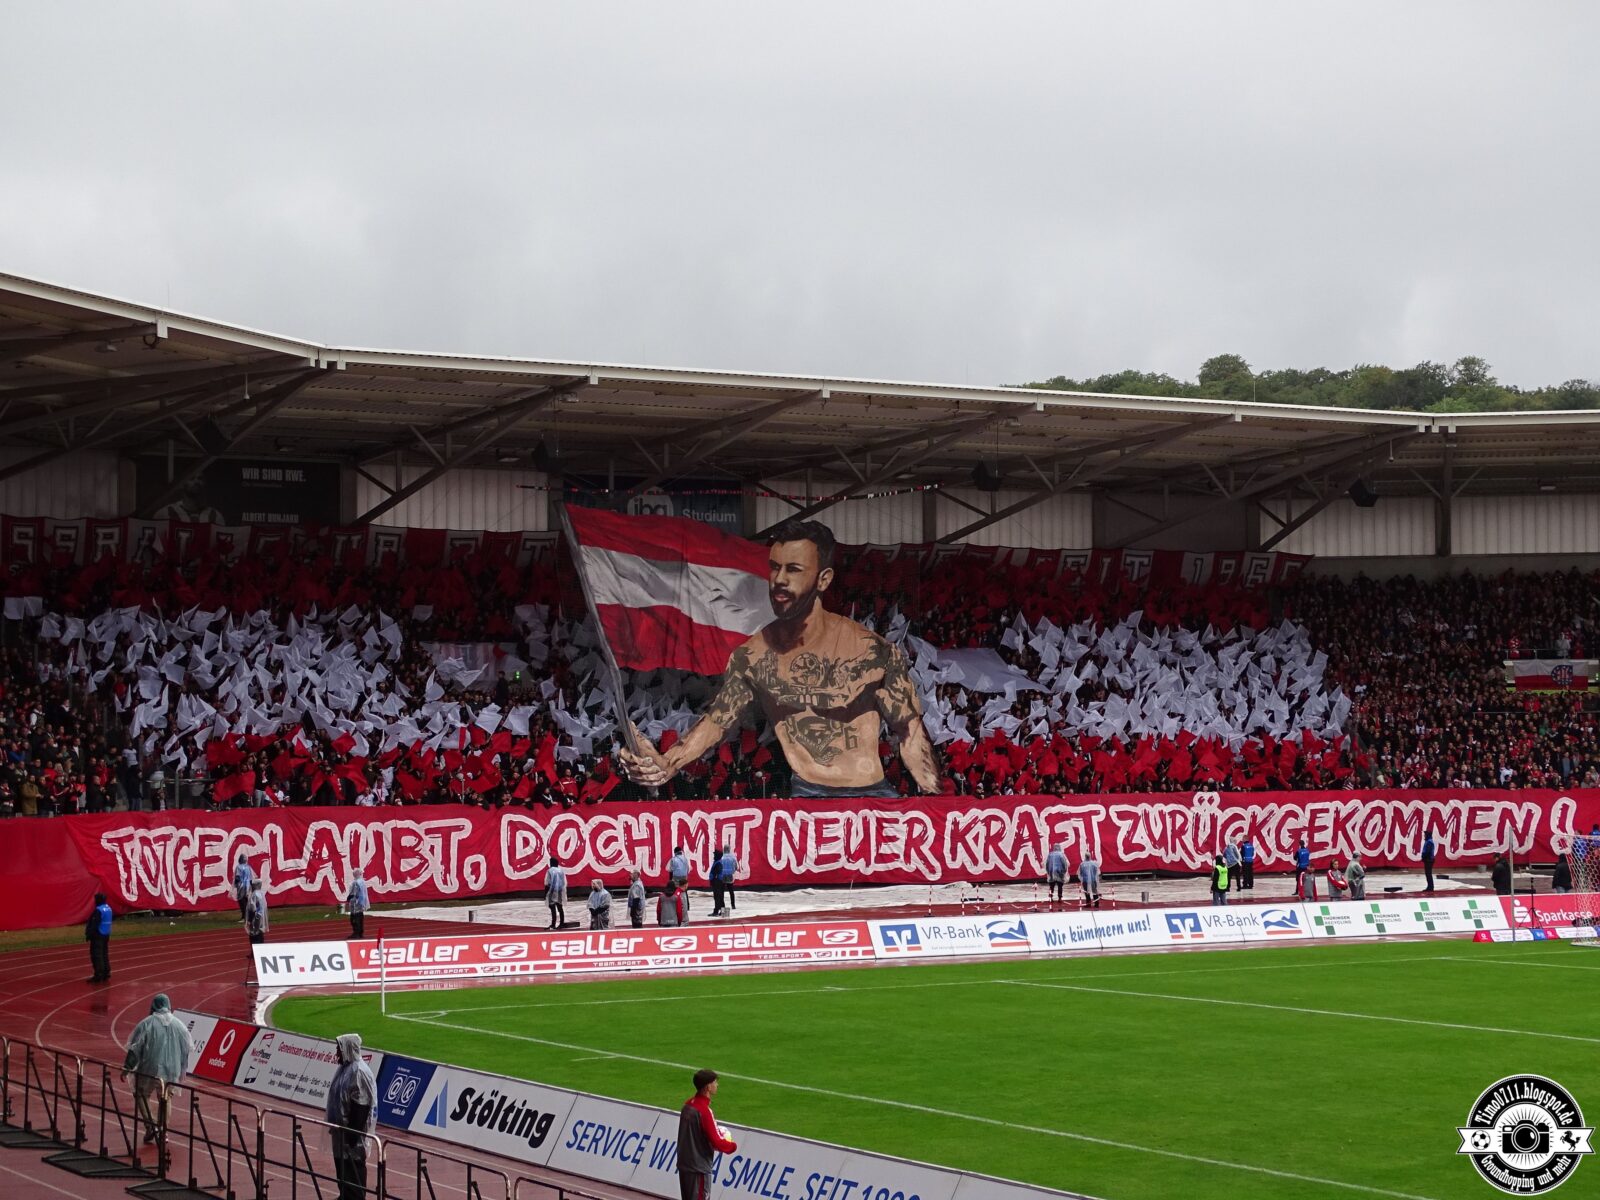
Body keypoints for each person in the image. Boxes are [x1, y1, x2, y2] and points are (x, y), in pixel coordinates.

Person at [620, 520, 942, 799]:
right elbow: (716, 722)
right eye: (775, 567)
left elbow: (910, 733)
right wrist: (667, 764)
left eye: (794, 569)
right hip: (806, 795)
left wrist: (938, 806)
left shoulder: (873, 652)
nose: (779, 580)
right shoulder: (753, 657)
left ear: (824, 579)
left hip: (872, 794)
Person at [122, 994, 194, 1158]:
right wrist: (181, 1068)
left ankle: (151, 1124)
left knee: (141, 1093)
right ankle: (162, 1129)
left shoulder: (146, 1024)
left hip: (150, 1067)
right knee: (166, 1097)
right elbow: (187, 1049)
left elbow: (135, 1047)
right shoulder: (179, 1025)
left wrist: (127, 1067)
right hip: (172, 1069)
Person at [325, 1034, 376, 1200]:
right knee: (343, 1175)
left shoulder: (359, 1072)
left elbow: (361, 1106)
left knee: (353, 1174)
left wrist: (351, 1137)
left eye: (338, 1050)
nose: (336, 1054)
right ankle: (345, 1196)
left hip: (351, 1139)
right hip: (341, 1135)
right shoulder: (345, 1070)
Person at [677, 1068, 737, 1200]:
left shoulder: (688, 1105)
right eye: (715, 1082)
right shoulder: (704, 1111)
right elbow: (715, 1140)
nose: (717, 1085)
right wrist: (732, 1146)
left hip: (685, 1164)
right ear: (708, 1087)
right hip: (698, 1168)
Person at [85, 891, 112, 983]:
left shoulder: (98, 910)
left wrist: (89, 934)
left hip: (98, 935)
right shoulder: (108, 908)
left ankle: (98, 974)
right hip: (106, 934)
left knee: (97, 955)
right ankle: (106, 972)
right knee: (104, 954)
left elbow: (94, 924)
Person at [246, 878, 268, 981]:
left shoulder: (254, 895)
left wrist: (250, 920)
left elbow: (252, 908)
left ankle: (255, 952)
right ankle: (260, 950)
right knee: (260, 933)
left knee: (254, 934)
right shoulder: (262, 893)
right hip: (262, 917)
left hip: (256, 917)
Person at [344, 870, 369, 939]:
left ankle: (356, 933)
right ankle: (360, 932)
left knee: (355, 918)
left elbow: (353, 893)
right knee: (360, 917)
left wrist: (348, 898)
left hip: (355, 903)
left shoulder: (356, 883)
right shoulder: (362, 881)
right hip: (361, 902)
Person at [545, 857, 568, 929]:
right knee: (560, 907)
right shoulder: (561, 871)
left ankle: (553, 924)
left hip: (552, 891)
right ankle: (561, 923)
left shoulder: (549, 871)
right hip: (560, 891)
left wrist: (546, 893)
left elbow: (547, 883)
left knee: (552, 908)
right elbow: (564, 882)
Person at [233, 853, 255, 921]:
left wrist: (235, 885)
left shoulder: (238, 867)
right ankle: (249, 916)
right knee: (247, 900)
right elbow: (251, 878)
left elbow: (237, 877)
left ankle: (244, 916)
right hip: (248, 885)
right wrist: (252, 887)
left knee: (241, 901)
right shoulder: (248, 867)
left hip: (241, 886)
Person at [718, 845, 738, 915]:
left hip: (722, 875)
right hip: (730, 875)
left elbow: (719, 867)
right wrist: (732, 871)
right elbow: (736, 867)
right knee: (731, 891)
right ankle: (733, 905)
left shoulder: (721, 857)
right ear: (729, 849)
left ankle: (722, 906)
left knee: (722, 892)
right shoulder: (732, 857)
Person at [708, 850, 727, 918]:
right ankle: (724, 912)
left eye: (715, 855)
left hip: (718, 882)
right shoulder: (719, 862)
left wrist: (713, 879)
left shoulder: (718, 863)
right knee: (720, 897)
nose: (714, 856)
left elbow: (716, 872)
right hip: (721, 881)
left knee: (717, 897)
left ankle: (716, 911)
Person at [1421, 829, 1437, 894]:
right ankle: (1429, 886)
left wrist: (1424, 857)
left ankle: (1430, 887)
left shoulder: (1429, 842)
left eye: (1425, 835)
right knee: (1428, 874)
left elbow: (1427, 852)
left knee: (1428, 874)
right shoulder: (1428, 841)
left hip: (1429, 860)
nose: (1424, 836)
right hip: (1428, 860)